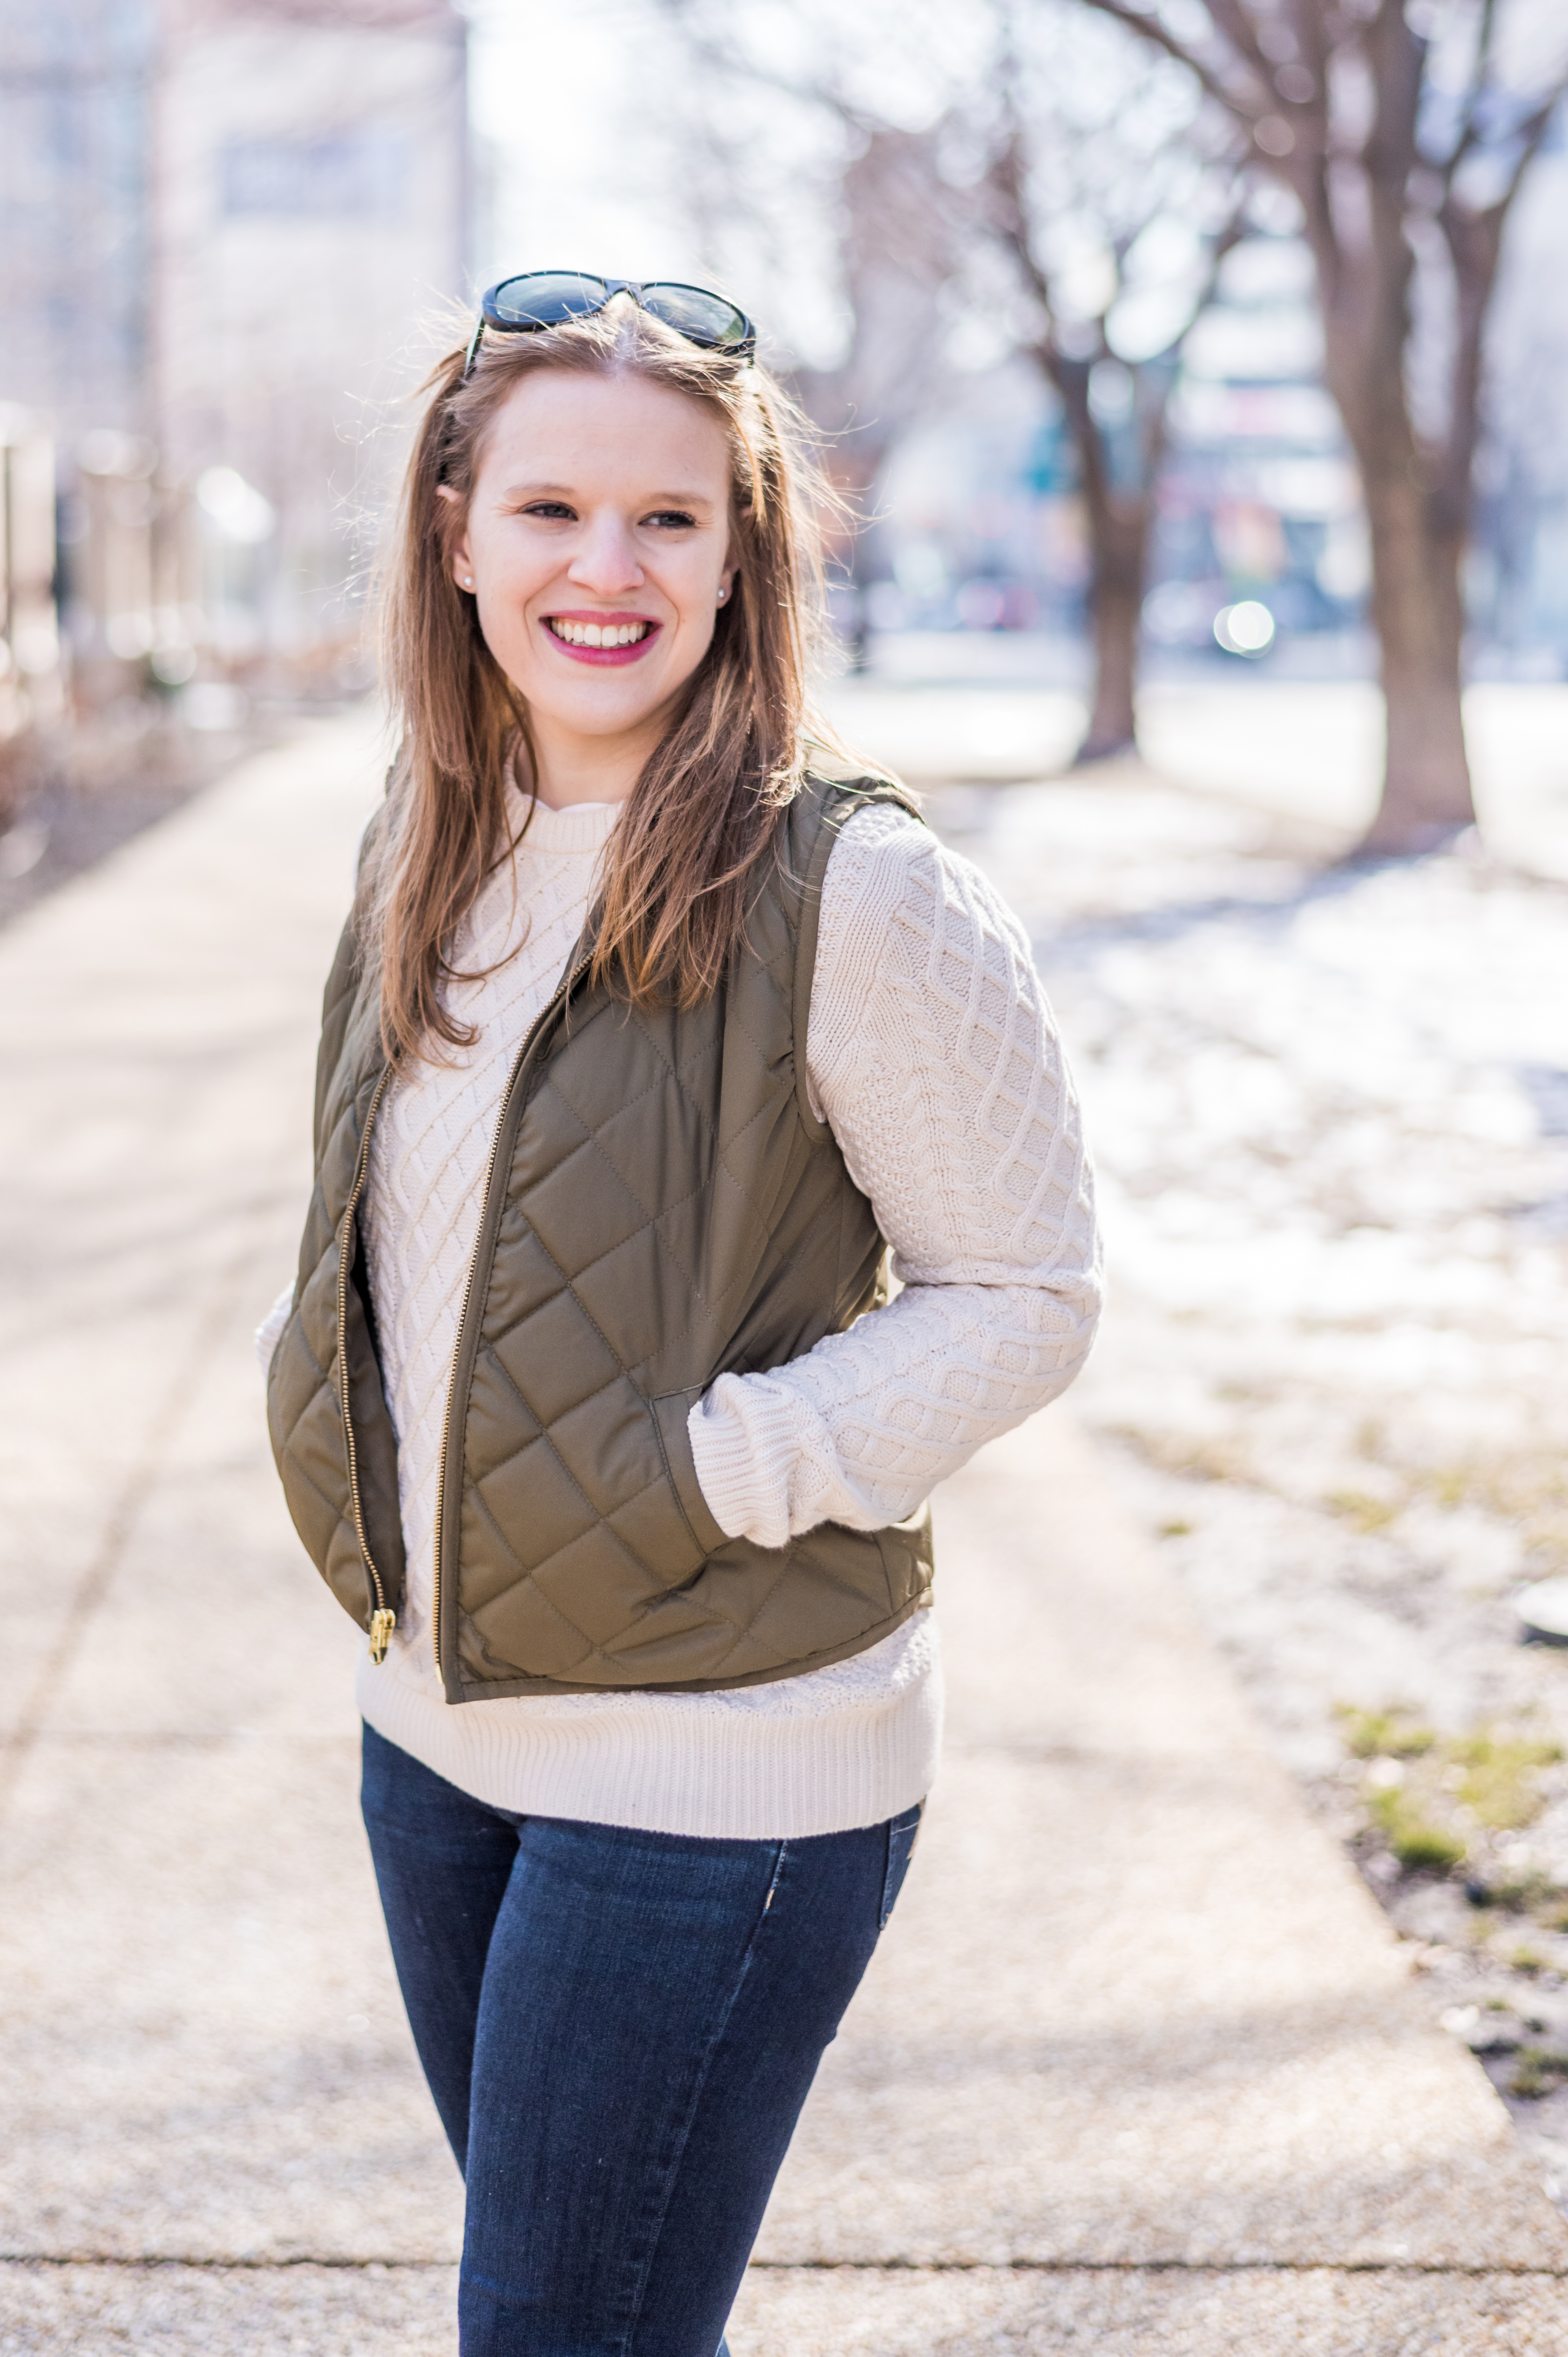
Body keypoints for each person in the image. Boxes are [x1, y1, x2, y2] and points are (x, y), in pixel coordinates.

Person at [261, 270, 1100, 2357]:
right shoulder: (424, 837)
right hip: (431, 1724)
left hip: (721, 1758)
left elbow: (1026, 1291)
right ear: (453, 532)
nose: (602, 570)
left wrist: (707, 1475)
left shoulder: (856, 887)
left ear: (744, 551)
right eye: (548, 510)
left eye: (667, 518)